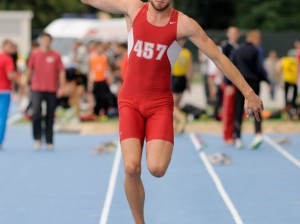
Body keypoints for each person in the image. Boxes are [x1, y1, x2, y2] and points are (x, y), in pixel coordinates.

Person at [81, 1, 264, 223]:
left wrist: (248, 92)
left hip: (160, 104)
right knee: (131, 167)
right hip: (129, 101)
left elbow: (217, 57)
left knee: (157, 168)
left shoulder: (184, 24)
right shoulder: (133, 8)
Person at [27, 32, 66, 150]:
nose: (46, 42)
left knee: (50, 115)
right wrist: (25, 84)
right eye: (44, 39)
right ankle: (38, 138)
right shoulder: (35, 54)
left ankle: (49, 140)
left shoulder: (56, 55)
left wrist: (62, 87)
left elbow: (61, 71)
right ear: (41, 41)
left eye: (48, 40)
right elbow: (29, 70)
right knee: (36, 114)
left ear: (51, 41)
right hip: (37, 88)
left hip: (51, 89)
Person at [231, 30, 269, 149]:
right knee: (256, 108)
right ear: (254, 38)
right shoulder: (255, 50)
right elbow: (260, 68)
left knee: (238, 109)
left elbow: (231, 66)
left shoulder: (237, 50)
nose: (260, 41)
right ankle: (258, 134)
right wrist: (267, 80)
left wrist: (228, 83)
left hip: (240, 83)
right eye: (259, 38)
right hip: (253, 83)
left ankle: (237, 137)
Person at [0, 39, 22, 149]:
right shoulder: (7, 59)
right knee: (2, 117)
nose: (12, 49)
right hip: (4, 91)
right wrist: (21, 83)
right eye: (10, 47)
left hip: (4, 90)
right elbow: (10, 75)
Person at [221, 26, 241, 145]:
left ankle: (234, 134)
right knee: (228, 111)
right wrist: (228, 83)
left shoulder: (239, 47)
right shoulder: (226, 47)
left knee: (236, 111)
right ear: (228, 34)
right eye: (231, 33)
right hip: (229, 83)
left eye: (235, 33)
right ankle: (227, 135)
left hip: (238, 83)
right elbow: (224, 65)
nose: (234, 35)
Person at [172, 47, 193, 134]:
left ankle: (182, 118)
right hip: (183, 79)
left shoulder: (173, 50)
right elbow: (190, 69)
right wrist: (189, 83)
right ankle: (175, 127)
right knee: (177, 104)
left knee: (172, 105)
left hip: (175, 78)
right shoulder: (187, 52)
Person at [276, 52, 298, 120]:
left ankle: (287, 114)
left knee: (286, 99)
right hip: (294, 81)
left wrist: (279, 80)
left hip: (287, 80)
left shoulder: (284, 60)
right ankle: (293, 113)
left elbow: (278, 69)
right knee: (293, 100)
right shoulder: (296, 61)